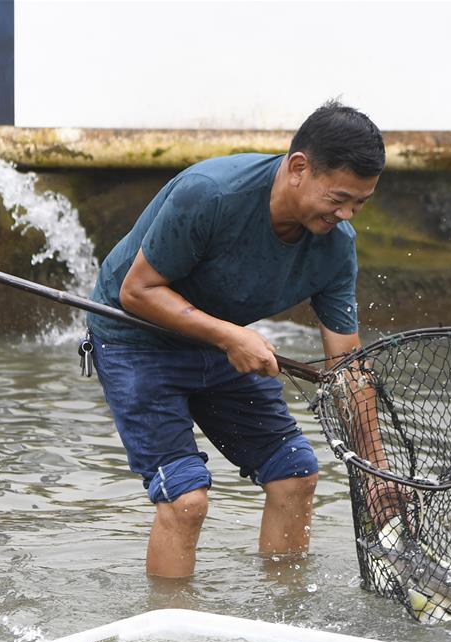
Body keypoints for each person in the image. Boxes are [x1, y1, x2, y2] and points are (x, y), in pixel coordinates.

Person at [87, 101, 386, 578]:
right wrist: (229, 336)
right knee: (186, 500)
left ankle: (285, 617)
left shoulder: (335, 246)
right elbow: (137, 291)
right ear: (299, 168)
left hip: (220, 338)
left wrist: (377, 474)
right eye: (339, 198)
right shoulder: (210, 195)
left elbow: (347, 367)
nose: (347, 214)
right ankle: (171, 639)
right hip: (135, 335)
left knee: (296, 475)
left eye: (361, 203)